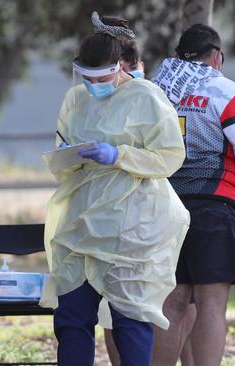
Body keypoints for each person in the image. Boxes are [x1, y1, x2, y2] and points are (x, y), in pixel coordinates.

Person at [39, 11, 189, 366]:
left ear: (120, 65)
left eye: (101, 75)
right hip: (80, 223)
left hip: (129, 225)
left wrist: (119, 155)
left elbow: (169, 155)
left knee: (130, 319)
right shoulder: (76, 99)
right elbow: (62, 142)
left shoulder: (146, 97)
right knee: (73, 318)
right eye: (86, 76)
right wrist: (67, 156)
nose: (93, 84)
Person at [151, 24, 235, 365]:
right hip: (215, 204)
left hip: (164, 205)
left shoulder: (156, 89)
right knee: (211, 304)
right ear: (216, 56)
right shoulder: (226, 90)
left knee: (170, 302)